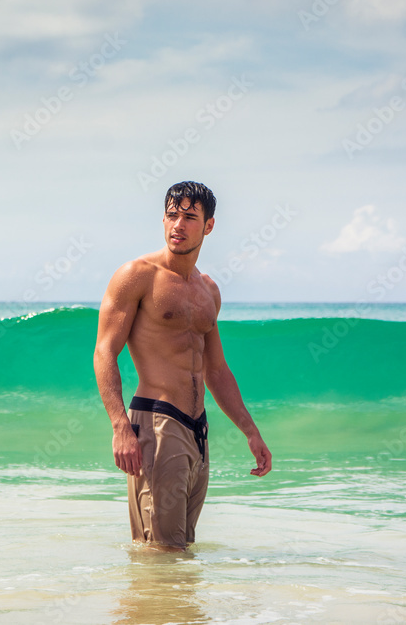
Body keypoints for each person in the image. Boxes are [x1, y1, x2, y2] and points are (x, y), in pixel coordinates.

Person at [94, 181, 272, 550]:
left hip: (198, 431)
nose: (178, 225)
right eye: (172, 215)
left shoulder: (209, 290)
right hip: (158, 422)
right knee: (161, 548)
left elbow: (217, 370)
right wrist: (120, 427)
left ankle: (173, 611)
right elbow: (104, 352)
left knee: (180, 548)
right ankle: (145, 609)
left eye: (190, 217)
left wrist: (250, 431)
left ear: (208, 226)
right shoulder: (137, 275)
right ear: (162, 219)